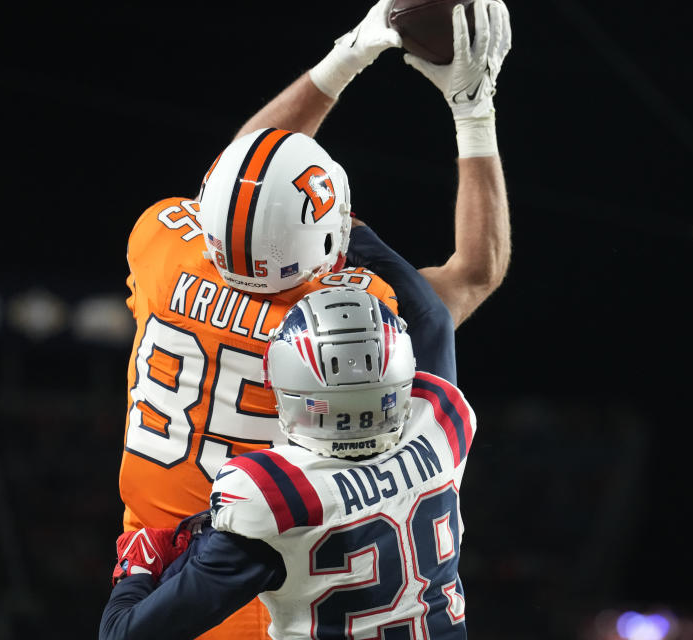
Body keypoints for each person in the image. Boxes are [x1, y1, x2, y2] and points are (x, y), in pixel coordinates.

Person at [116, 0, 511, 635]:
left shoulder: (161, 243)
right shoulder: (355, 318)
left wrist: (349, 51)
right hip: (277, 576)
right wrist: (474, 109)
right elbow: (473, 274)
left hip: (158, 560)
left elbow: (239, 176)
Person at [101, 287, 477, 639]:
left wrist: (136, 570)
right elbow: (435, 318)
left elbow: (122, 632)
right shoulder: (444, 421)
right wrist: (368, 243)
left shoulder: (279, 499)